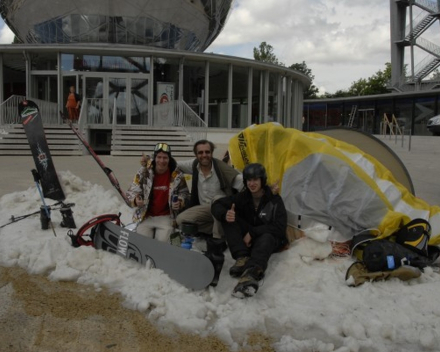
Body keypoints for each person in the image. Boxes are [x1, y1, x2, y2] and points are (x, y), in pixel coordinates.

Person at [211, 163, 288, 298]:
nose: (252, 183)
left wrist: (252, 233)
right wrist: (225, 214)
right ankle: (242, 257)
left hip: (267, 238)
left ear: (262, 180)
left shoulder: (274, 199)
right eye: (249, 180)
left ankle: (251, 274)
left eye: (255, 179)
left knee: (267, 237)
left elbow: (279, 227)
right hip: (249, 238)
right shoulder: (243, 196)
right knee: (230, 217)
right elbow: (218, 204)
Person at [175, 139, 244, 286]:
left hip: (221, 210)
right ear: (196, 155)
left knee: (217, 200)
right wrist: (150, 160)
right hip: (205, 211)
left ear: (212, 153)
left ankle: (216, 251)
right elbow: (174, 164)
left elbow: (244, 182)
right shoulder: (194, 165)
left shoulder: (221, 168)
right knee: (181, 220)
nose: (204, 155)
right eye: (200, 152)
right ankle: (222, 233)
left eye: (207, 152)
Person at [126, 143, 189, 242]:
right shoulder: (143, 172)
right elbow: (131, 191)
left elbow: (184, 193)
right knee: (143, 242)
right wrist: (135, 200)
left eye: (165, 158)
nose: (162, 161)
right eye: (159, 157)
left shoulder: (177, 175)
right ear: (155, 158)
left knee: (163, 242)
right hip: (146, 215)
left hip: (166, 216)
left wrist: (180, 201)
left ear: (169, 159)